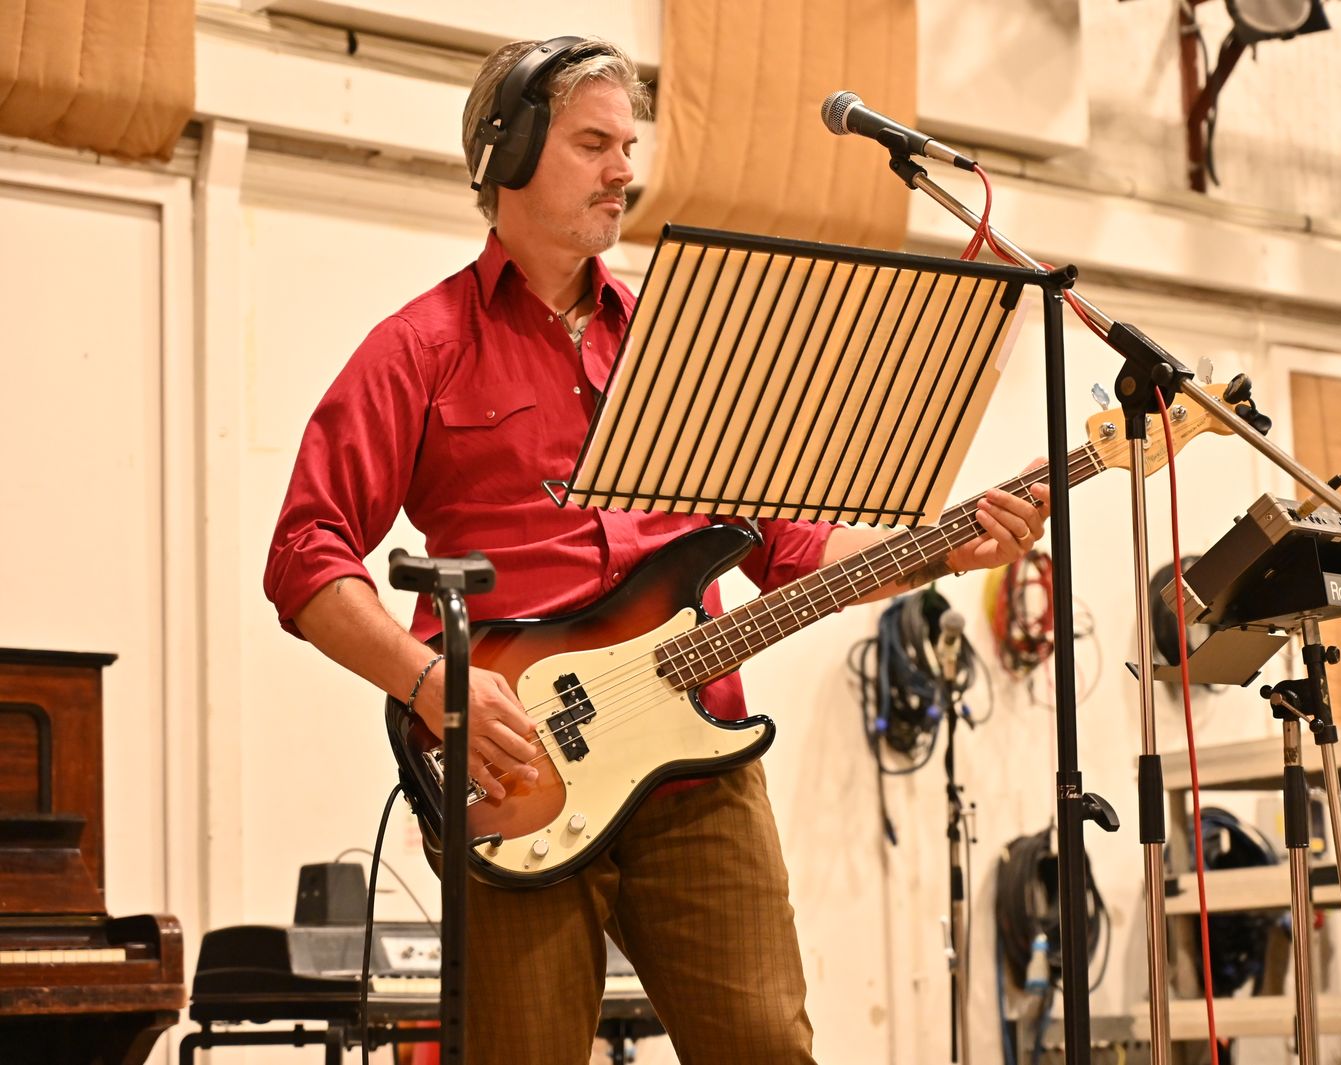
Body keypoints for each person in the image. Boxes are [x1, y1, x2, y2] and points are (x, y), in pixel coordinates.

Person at [264, 35, 1050, 1064]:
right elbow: (305, 554)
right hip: (516, 775)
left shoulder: (677, 350)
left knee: (768, 1050)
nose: (623, 170)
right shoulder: (421, 347)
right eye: (594, 144)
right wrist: (429, 681)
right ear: (511, 154)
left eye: (628, 146)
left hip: (698, 774)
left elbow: (789, 547)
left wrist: (944, 549)